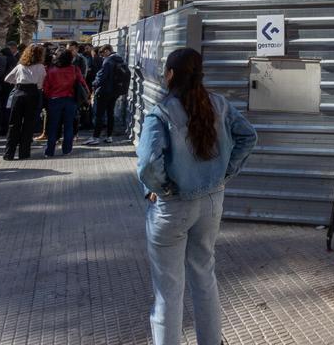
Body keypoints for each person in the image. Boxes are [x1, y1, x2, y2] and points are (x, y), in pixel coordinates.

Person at [137, 47, 257, 345]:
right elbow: (248, 136)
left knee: (169, 289)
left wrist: (161, 188)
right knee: (204, 276)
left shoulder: (161, 112)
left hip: (173, 206)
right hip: (212, 203)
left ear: (171, 75)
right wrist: (224, 174)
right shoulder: (219, 104)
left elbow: (148, 163)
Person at [43, 50, 89, 157]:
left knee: (53, 126)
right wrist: (87, 96)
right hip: (70, 99)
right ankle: (67, 150)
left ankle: (50, 151)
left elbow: (46, 87)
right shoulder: (74, 69)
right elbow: (82, 83)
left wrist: (49, 96)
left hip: (54, 99)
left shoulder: (51, 70)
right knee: (69, 126)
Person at [3, 44, 45, 161]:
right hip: (33, 93)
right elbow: (41, 83)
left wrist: (18, 82)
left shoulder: (20, 66)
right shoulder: (40, 67)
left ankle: (9, 153)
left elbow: (7, 79)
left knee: (13, 124)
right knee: (28, 124)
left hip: (19, 92)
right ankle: (24, 153)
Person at [86, 45, 127, 145]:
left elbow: (102, 77)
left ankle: (96, 137)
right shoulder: (120, 60)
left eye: (103, 53)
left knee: (99, 115)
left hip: (104, 91)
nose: (102, 56)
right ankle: (109, 136)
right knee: (110, 114)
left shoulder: (108, 61)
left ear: (107, 51)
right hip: (115, 91)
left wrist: (94, 83)